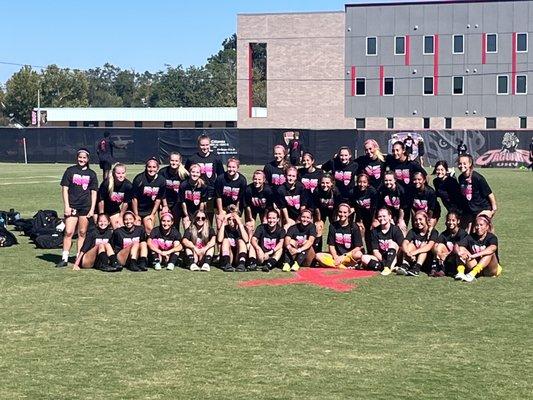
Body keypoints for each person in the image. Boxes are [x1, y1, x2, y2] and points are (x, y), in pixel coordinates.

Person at [57, 148, 98, 268]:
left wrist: (92, 209)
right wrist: (67, 206)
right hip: (72, 206)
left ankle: (78, 258)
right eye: (80, 157)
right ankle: (64, 258)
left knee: (82, 232)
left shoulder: (92, 174)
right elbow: (65, 189)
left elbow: (94, 193)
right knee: (69, 232)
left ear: (88, 159)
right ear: (77, 158)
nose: (82, 159)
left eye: (84, 158)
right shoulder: (70, 171)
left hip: (85, 207)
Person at [185, 134, 225, 222]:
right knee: (197, 217)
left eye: (207, 145)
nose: (205, 147)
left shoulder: (216, 158)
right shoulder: (192, 159)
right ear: (198, 145)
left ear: (210, 145)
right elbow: (186, 175)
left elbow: (221, 176)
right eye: (202, 145)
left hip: (211, 192)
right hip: (197, 192)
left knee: (208, 218)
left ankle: (208, 235)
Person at [455, 214, 502, 282]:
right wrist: (459, 253)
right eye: (477, 225)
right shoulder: (470, 237)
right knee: (461, 249)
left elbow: (492, 248)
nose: (478, 227)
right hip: (475, 266)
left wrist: (474, 255)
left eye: (481, 225)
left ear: (487, 227)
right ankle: (461, 272)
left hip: (489, 269)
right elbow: (457, 245)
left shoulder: (492, 237)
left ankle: (471, 274)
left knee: (490, 253)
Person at [315, 203, 364, 269]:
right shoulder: (333, 226)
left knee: (359, 254)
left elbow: (358, 247)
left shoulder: (354, 226)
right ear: (337, 212)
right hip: (336, 256)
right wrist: (335, 257)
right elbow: (331, 246)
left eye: (345, 212)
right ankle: (344, 267)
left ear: (349, 213)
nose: (342, 214)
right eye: (340, 212)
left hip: (348, 256)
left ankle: (338, 265)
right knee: (318, 256)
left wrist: (343, 256)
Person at [457, 154, 497, 231]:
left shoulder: (477, 178)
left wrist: (493, 209)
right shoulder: (461, 178)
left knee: (480, 231)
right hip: (470, 210)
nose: (462, 166)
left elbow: (489, 193)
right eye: (460, 163)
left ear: (470, 164)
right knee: (465, 232)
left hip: (482, 208)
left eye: (464, 163)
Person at [361, 208, 403, 275]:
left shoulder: (396, 229)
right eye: (380, 216)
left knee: (392, 243)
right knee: (364, 258)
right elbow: (375, 251)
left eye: (384, 216)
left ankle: (388, 266)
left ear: (390, 217)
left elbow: (401, 247)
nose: (382, 218)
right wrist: (384, 262)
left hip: (394, 256)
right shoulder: (374, 231)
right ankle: (387, 267)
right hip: (381, 258)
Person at [131, 157, 166, 235]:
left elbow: (158, 199)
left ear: (157, 168)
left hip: (148, 211)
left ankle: (148, 246)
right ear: (146, 167)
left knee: (149, 229)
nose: (151, 169)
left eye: (154, 167)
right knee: (136, 230)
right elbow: (134, 198)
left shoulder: (162, 181)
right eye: (149, 167)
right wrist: (136, 215)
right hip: (137, 209)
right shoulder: (139, 179)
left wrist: (152, 214)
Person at [397, 210, 438, 277]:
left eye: (420, 219)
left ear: (426, 219)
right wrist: (408, 253)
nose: (418, 222)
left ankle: (417, 269)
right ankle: (405, 265)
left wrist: (414, 252)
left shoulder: (433, 232)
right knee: (409, 245)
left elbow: (429, 246)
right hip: (412, 258)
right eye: (416, 220)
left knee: (424, 246)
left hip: (426, 261)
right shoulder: (413, 231)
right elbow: (404, 243)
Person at [214, 157, 247, 229]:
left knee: (234, 227)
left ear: (238, 168)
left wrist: (236, 212)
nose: (231, 169)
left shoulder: (242, 180)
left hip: (234, 206)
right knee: (220, 226)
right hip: (222, 205)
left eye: (233, 167)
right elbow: (218, 196)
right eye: (229, 167)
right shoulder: (220, 178)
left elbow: (240, 198)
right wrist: (220, 212)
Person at [432, 210, 468, 277]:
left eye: (453, 220)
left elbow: (460, 249)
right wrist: (439, 254)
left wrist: (446, 255)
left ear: (458, 221)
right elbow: (435, 245)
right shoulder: (444, 234)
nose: (451, 222)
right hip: (447, 258)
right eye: (449, 220)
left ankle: (451, 270)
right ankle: (436, 268)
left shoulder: (463, 234)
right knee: (440, 246)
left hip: (458, 258)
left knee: (459, 250)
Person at [97, 163, 133, 229]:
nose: (121, 175)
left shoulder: (128, 186)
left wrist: (121, 216)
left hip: (113, 210)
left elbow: (125, 203)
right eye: (118, 173)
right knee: (101, 228)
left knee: (119, 228)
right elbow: (101, 200)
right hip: (99, 209)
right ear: (114, 173)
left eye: (123, 173)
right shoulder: (107, 183)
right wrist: (101, 216)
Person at [350, 173, 378, 250]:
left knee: (370, 235)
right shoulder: (353, 192)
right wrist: (359, 220)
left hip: (371, 215)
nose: (362, 184)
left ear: (368, 183)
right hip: (360, 215)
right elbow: (354, 207)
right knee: (359, 233)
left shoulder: (372, 192)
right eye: (360, 182)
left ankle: (371, 252)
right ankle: (360, 252)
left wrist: (373, 221)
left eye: (364, 182)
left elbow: (374, 208)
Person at [160, 152, 189, 227]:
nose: (174, 163)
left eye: (176, 161)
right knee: (165, 224)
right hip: (165, 202)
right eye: (172, 160)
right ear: (169, 160)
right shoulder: (163, 172)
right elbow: (160, 190)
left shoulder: (184, 174)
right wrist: (164, 205)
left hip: (178, 203)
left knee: (175, 225)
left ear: (180, 161)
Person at [244, 170, 275, 238]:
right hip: (252, 209)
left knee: (266, 224)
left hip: (264, 209)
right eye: (255, 179)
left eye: (259, 179)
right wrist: (250, 218)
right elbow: (247, 206)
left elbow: (269, 206)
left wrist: (265, 217)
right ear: (252, 179)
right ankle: (249, 243)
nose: (257, 181)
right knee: (249, 225)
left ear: (264, 180)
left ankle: (263, 242)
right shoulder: (248, 189)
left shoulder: (268, 190)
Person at [217, 206, 249, 272]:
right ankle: (226, 264)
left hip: (239, 255)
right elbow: (219, 240)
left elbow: (246, 240)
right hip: (229, 256)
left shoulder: (242, 228)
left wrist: (239, 223)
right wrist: (223, 222)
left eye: (234, 220)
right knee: (225, 240)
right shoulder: (225, 228)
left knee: (241, 241)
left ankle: (241, 264)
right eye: (229, 219)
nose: (232, 222)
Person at [276, 166, 309, 231]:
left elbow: (303, 206)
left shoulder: (301, 187)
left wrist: (300, 219)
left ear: (296, 177)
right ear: (285, 176)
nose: (291, 178)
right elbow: (283, 207)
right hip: (288, 216)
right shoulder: (281, 189)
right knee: (286, 228)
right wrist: (288, 220)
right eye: (289, 175)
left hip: (300, 215)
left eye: (293, 176)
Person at [179, 164, 209, 229]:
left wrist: (199, 215)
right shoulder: (183, 185)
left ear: (200, 174)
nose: (195, 174)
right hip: (187, 211)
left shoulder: (203, 186)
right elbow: (183, 202)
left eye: (197, 172)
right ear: (189, 173)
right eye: (193, 172)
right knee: (188, 228)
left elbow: (202, 202)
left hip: (198, 210)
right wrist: (186, 215)